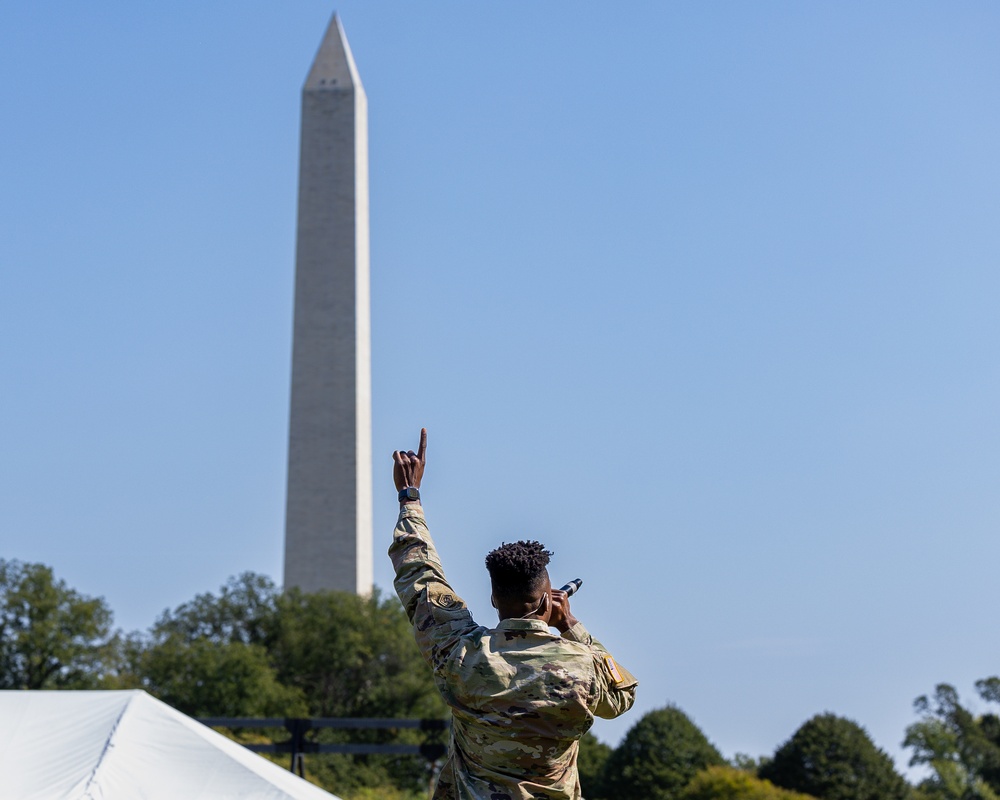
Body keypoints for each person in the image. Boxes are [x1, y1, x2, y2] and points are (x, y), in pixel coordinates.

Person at [389, 429, 638, 800]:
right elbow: (622, 697)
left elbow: (419, 575)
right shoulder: (582, 668)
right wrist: (570, 626)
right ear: (545, 603)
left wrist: (410, 498)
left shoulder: (461, 654)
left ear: (493, 598)